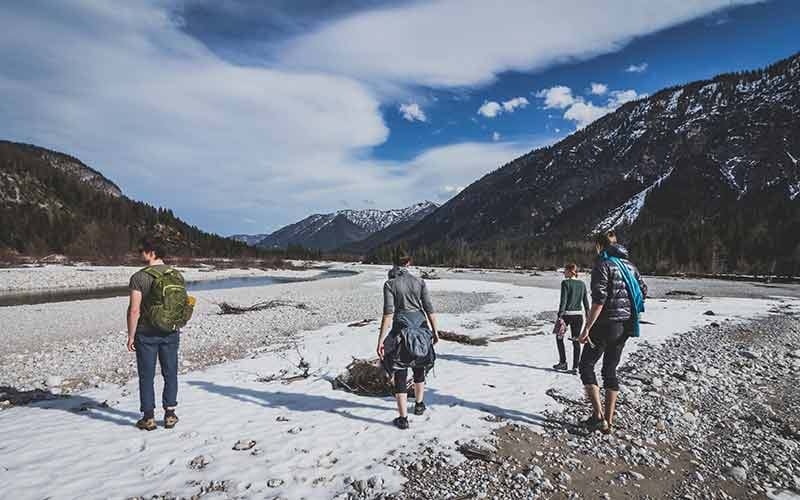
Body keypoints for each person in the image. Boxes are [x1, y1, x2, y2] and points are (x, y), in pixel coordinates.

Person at [578, 230, 647, 434]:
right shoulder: (629, 265)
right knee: (610, 369)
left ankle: (598, 417)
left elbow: (599, 300)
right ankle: (609, 420)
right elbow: (643, 290)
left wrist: (587, 328)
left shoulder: (603, 264)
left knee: (586, 365)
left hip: (606, 324)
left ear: (599, 246)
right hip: (625, 325)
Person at [377, 251, 439, 429]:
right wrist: (435, 332)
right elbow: (430, 309)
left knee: (400, 371)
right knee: (420, 366)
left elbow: (388, 314)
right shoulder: (420, 282)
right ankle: (419, 405)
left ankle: (403, 419)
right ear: (409, 263)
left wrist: (381, 340)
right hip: (421, 328)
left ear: (393, 263)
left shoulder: (390, 284)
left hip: (400, 331)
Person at [127, 238, 184, 431]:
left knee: (147, 375)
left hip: (146, 333)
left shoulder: (139, 277)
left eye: (142, 250)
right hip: (170, 331)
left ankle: (149, 418)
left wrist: (131, 335)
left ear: (151, 252)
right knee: (170, 374)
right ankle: (170, 414)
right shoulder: (176, 275)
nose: (139, 253)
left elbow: (134, 310)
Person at [553, 263, 589, 374]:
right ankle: (575, 367)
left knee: (559, 338)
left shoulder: (565, 283)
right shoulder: (582, 284)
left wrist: (560, 315)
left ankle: (563, 363)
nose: (564, 273)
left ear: (570, 271)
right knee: (576, 341)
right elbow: (586, 302)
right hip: (578, 316)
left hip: (567, 315)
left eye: (565, 271)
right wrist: (588, 315)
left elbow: (563, 301)